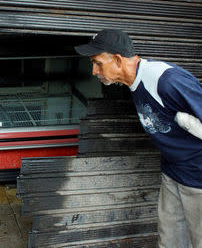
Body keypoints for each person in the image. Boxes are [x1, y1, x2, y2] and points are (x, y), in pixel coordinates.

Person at [74, 29, 202, 248]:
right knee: (169, 241)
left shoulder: (166, 80)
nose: (94, 71)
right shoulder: (134, 83)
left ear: (117, 59)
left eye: (97, 63)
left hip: (198, 178)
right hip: (173, 173)